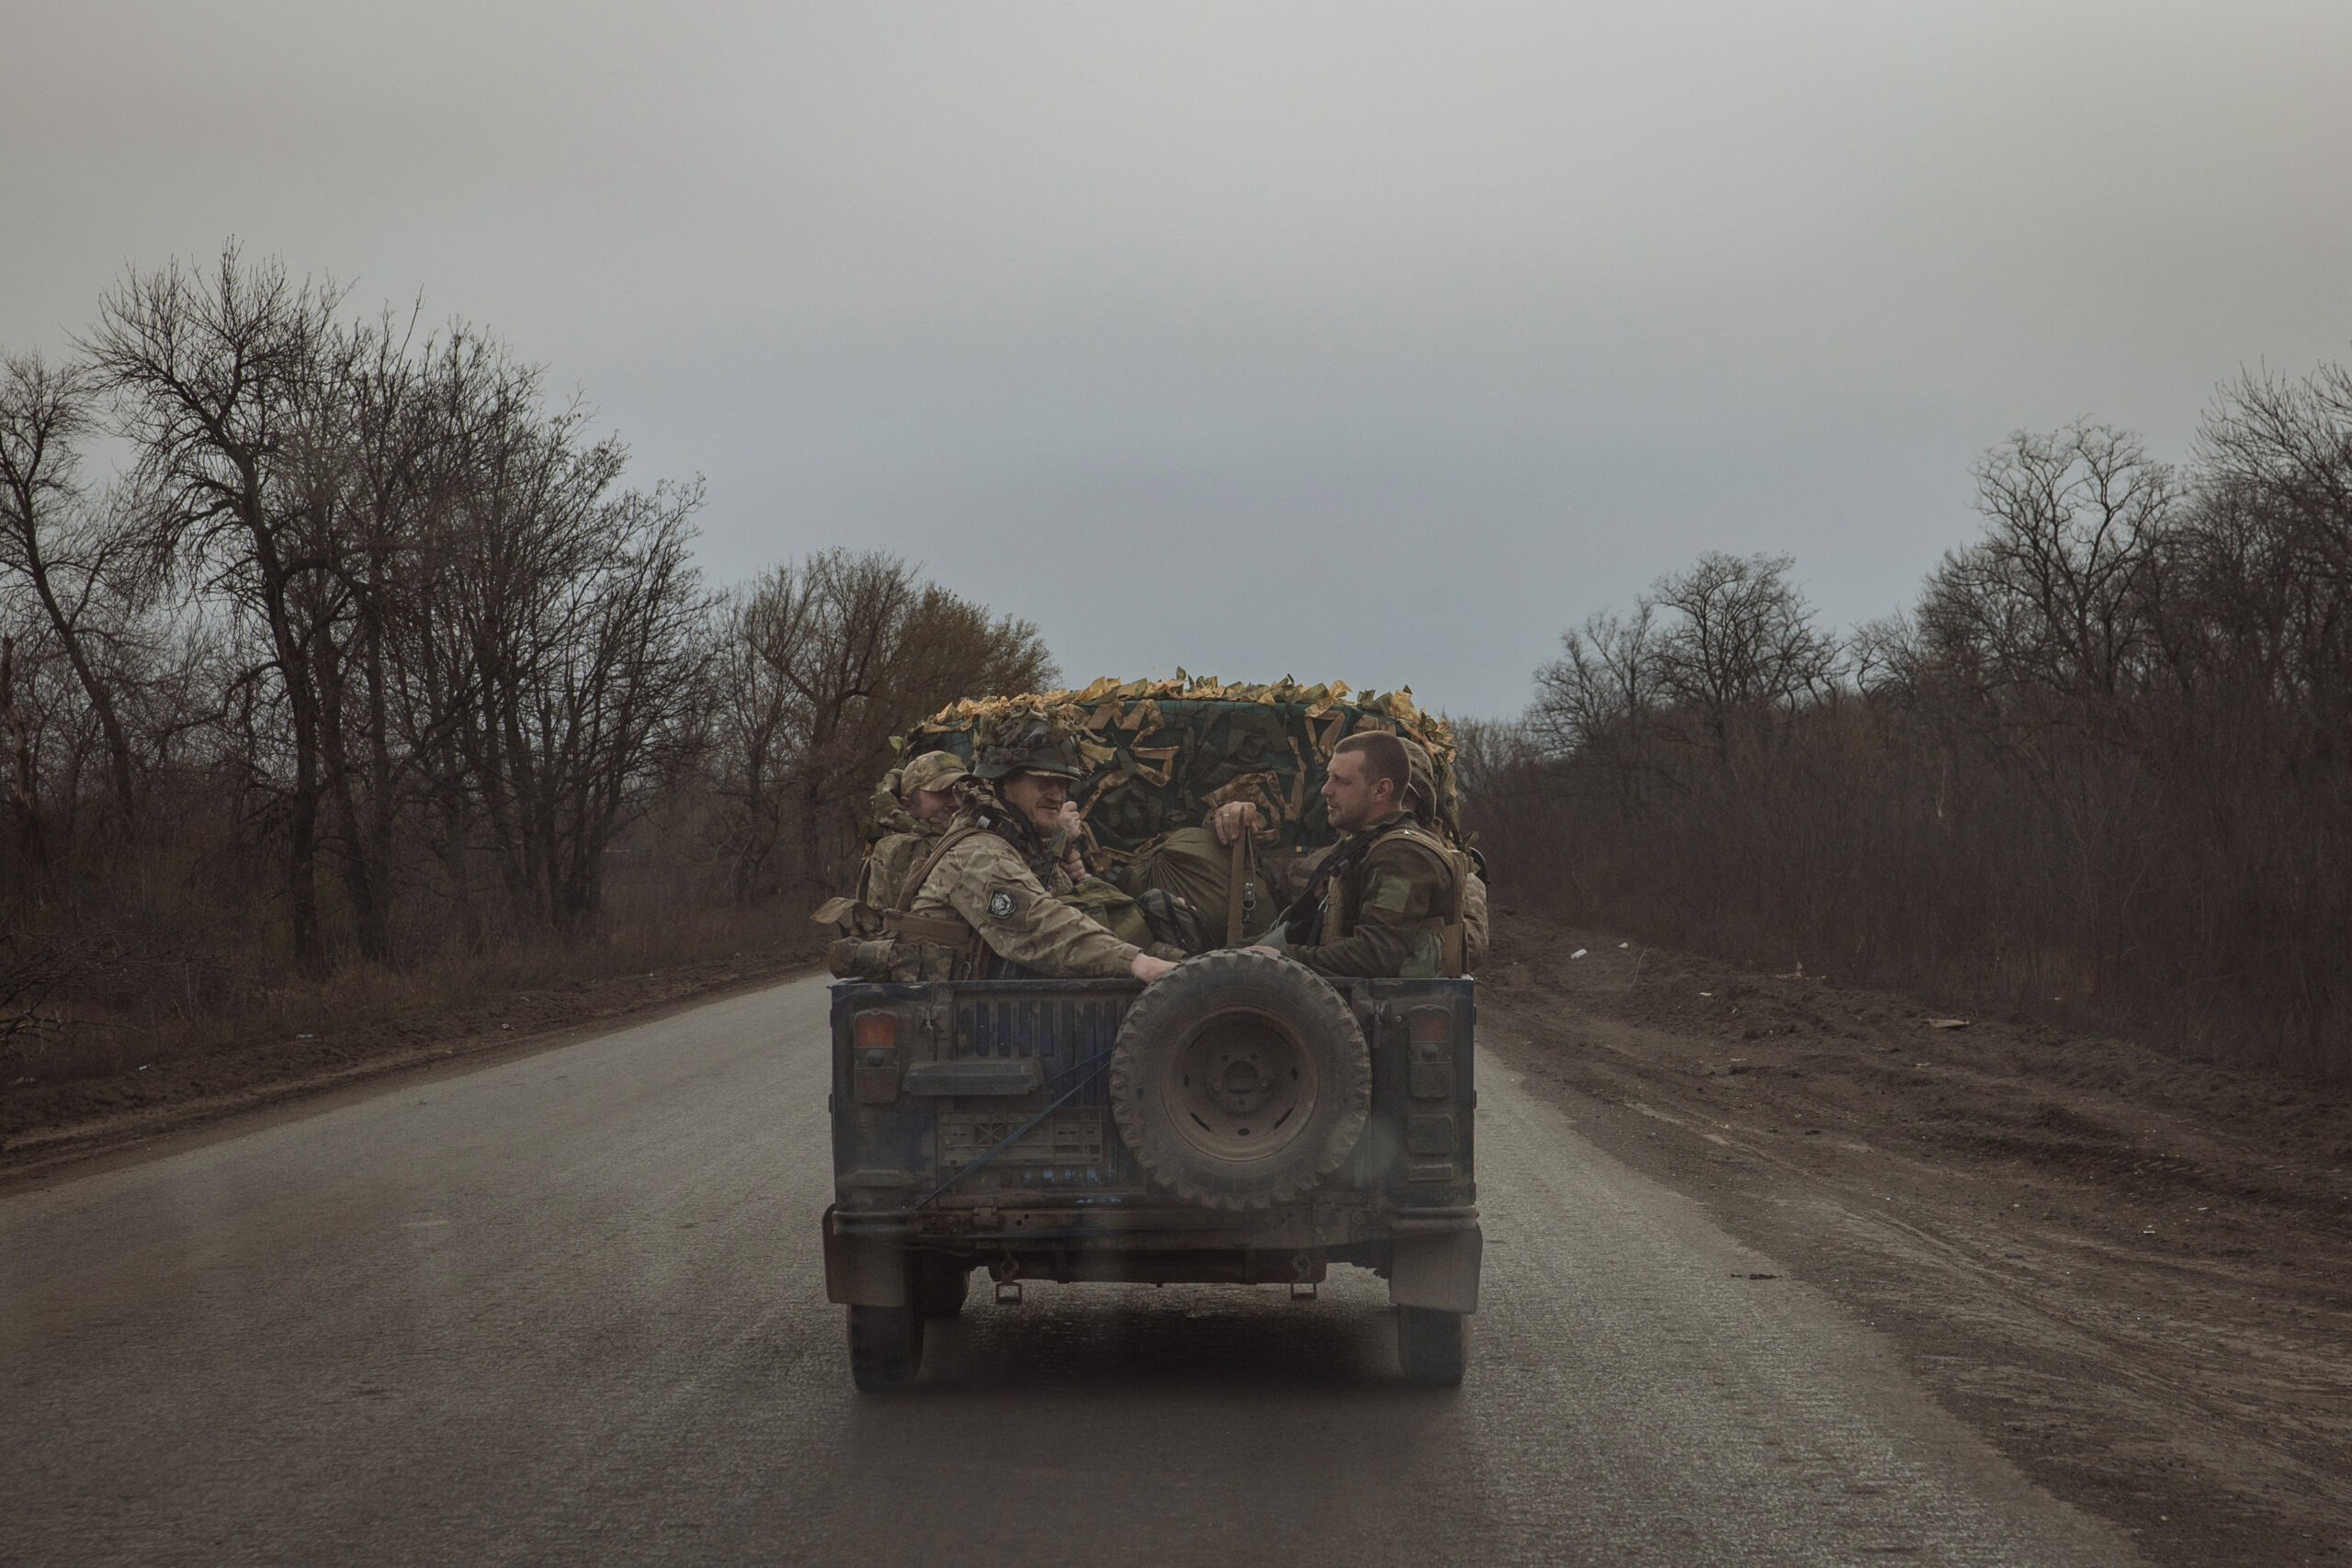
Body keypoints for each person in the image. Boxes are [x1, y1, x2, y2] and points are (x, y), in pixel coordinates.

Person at [896, 718, 1177, 983]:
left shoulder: (1019, 843)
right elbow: (1039, 925)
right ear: (1004, 783)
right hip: (955, 1018)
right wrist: (1139, 964)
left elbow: (1074, 907)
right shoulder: (976, 853)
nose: (1056, 796)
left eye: (1063, 784)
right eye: (1043, 782)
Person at [1250, 729, 1469, 978]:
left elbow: (1375, 954)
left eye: (1341, 781)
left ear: (1381, 790)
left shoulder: (1403, 856)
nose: (1326, 790)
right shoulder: (1363, 845)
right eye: (1328, 777)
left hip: (1388, 1010)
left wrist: (1285, 959)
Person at [1396, 736, 1488, 974]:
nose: (1397, 805)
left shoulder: (1450, 866)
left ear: (1420, 803)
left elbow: (1470, 949)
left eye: (1406, 797)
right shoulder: (1341, 856)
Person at [856, 750, 969, 908]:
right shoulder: (899, 851)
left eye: (960, 790)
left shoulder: (975, 828)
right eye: (941, 792)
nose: (955, 800)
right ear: (907, 804)